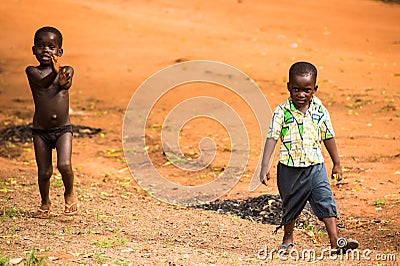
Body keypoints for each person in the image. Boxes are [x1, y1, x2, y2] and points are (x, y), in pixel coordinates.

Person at [260, 61, 358, 254]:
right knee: (291, 205)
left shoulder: (320, 111)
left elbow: (328, 135)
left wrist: (337, 163)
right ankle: (288, 238)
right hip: (289, 169)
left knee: (325, 200)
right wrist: (265, 166)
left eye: (307, 90)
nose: (301, 94)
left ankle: (335, 241)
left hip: (315, 166)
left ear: (315, 89)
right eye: (296, 89)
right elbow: (272, 137)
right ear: (288, 87)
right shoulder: (281, 111)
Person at [26, 26, 78, 218]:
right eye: (41, 46)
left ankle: (69, 193)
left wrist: (63, 75)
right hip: (41, 131)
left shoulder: (67, 70)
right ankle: (45, 202)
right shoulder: (32, 71)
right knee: (44, 172)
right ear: (34, 50)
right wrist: (54, 72)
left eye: (51, 47)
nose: (46, 50)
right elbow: (43, 83)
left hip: (63, 129)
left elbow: (65, 83)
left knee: (64, 165)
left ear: (59, 52)